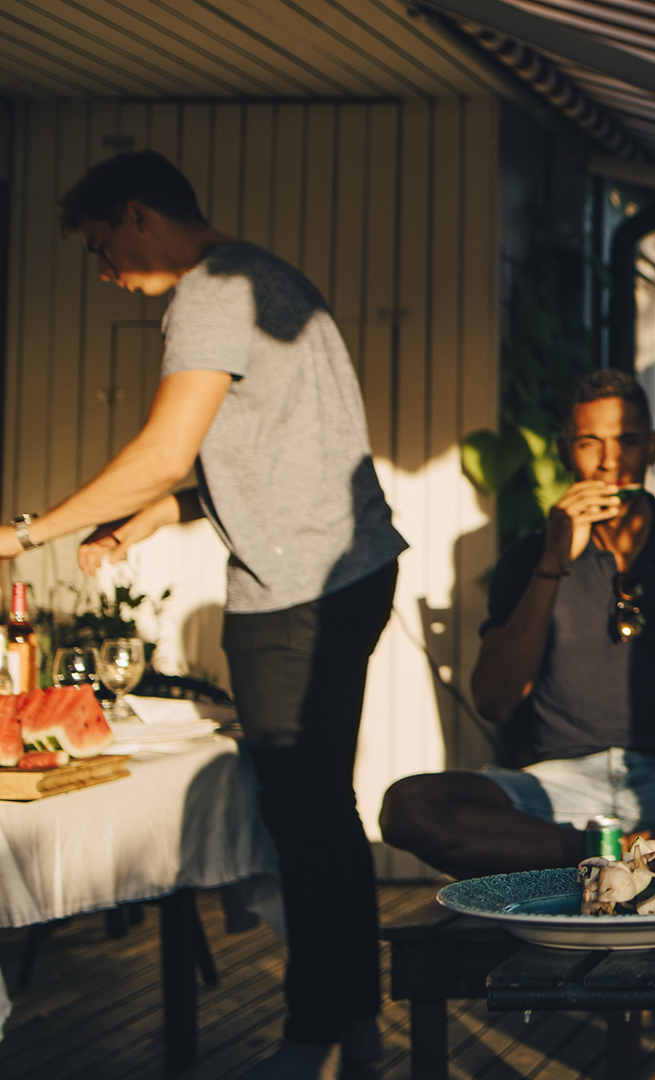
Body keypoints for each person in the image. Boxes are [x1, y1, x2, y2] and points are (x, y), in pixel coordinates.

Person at [8, 150, 408, 1079]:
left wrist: (26, 534)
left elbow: (162, 448)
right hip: (347, 572)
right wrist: (159, 513)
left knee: (306, 822)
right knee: (323, 817)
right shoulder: (265, 277)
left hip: (299, 591)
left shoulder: (210, 291)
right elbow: (269, 454)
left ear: (138, 216)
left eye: (101, 246)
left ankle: (312, 1038)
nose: (105, 271)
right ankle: (352, 1028)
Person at [380, 369, 655, 1080]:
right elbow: (494, 698)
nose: (609, 462)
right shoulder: (532, 558)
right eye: (590, 443)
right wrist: (554, 561)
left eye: (626, 442)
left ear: (652, 448)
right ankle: (620, 862)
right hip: (557, 791)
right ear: (566, 450)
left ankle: (610, 867)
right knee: (409, 805)